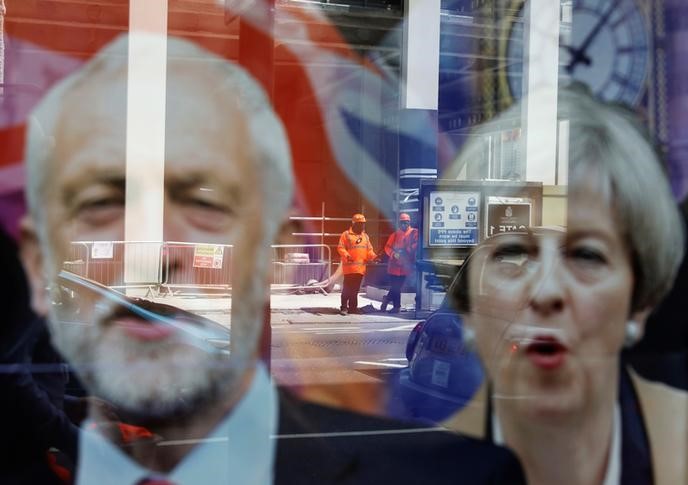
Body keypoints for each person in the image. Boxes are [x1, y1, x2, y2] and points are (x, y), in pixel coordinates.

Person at [18, 34, 526, 484]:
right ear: (39, 263)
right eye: (104, 203)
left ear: (277, 256)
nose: (155, 257)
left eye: (202, 203)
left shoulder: (452, 476)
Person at [447, 86, 688, 485]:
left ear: (640, 301)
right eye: (513, 252)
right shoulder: (410, 464)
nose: (546, 292)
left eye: (585, 255)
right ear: (466, 302)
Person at [337, 213, 378, 315]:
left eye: (363, 224)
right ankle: (343, 308)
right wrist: (347, 255)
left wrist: (375, 257)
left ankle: (353, 308)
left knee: (355, 290)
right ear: (354, 224)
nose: (362, 226)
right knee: (347, 289)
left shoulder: (365, 237)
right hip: (349, 269)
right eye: (360, 224)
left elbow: (369, 250)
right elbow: (340, 248)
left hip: (360, 269)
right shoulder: (346, 235)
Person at [380, 213, 418, 313]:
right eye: (402, 222)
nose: (404, 224)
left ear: (409, 222)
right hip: (394, 266)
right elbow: (387, 247)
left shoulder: (414, 233)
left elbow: (416, 244)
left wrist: (407, 250)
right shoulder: (395, 234)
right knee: (396, 287)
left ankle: (387, 299)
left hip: (405, 266)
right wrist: (393, 254)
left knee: (397, 287)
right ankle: (396, 306)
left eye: (406, 222)